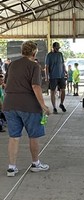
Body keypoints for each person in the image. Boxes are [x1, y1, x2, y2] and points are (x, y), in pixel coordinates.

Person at [3, 41, 50, 177]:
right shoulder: (34, 66)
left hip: (10, 104)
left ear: (22, 51)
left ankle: (11, 168)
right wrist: (43, 105)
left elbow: (6, 84)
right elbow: (36, 86)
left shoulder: (12, 65)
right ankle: (35, 163)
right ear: (34, 53)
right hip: (29, 106)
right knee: (33, 136)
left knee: (14, 137)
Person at [45, 42, 67, 114]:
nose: (58, 49)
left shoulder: (60, 54)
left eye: (58, 48)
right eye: (56, 47)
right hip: (53, 76)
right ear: (53, 47)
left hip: (61, 75)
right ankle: (54, 107)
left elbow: (63, 64)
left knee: (63, 90)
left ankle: (61, 104)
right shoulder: (49, 55)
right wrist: (47, 76)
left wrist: (65, 71)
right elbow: (47, 67)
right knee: (53, 92)